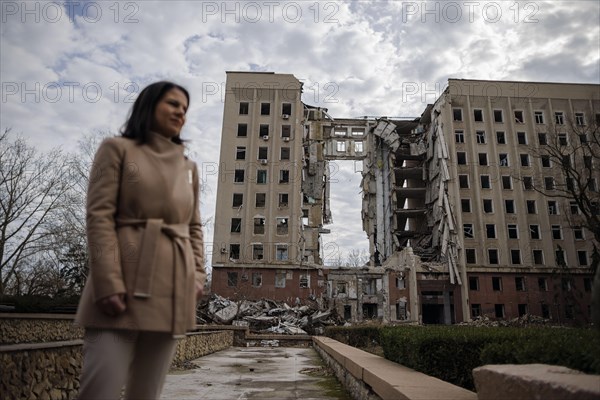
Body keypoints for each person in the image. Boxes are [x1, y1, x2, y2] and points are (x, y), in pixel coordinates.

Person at [75, 81, 206, 399]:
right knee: (100, 389)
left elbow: (193, 228)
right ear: (149, 105)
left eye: (185, 108)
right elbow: (99, 216)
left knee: (147, 393)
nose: (180, 112)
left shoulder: (188, 168)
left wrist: (198, 276)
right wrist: (108, 282)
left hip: (173, 289)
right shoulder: (116, 149)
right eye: (173, 104)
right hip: (122, 283)